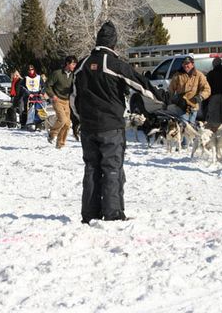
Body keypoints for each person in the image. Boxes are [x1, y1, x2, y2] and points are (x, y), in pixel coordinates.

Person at [71, 21, 164, 223]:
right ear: (113, 43)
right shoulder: (114, 64)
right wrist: (163, 98)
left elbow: (73, 97)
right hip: (111, 127)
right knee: (112, 168)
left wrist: (78, 119)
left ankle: (89, 214)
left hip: (88, 127)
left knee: (91, 169)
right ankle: (113, 213)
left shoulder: (82, 65)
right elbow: (141, 84)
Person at [46, 55, 78, 149]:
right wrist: (53, 95)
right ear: (67, 64)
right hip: (57, 99)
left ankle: (60, 144)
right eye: (73, 64)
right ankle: (52, 134)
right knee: (62, 119)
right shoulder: (57, 74)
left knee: (67, 124)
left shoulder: (74, 75)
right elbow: (48, 85)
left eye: (75, 64)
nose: (74, 66)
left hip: (67, 101)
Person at [167, 55, 211, 123]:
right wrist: (171, 100)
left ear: (192, 64)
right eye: (184, 64)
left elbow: (207, 89)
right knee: (185, 125)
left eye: (187, 64)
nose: (185, 66)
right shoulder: (177, 75)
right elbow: (171, 89)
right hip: (181, 106)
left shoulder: (199, 75)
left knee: (191, 127)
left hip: (193, 106)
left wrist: (200, 97)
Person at [206, 57, 222, 128]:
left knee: (214, 117)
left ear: (214, 64)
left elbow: (208, 86)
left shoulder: (211, 74)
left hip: (214, 97)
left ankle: (215, 130)